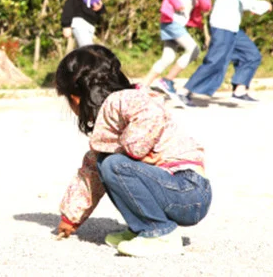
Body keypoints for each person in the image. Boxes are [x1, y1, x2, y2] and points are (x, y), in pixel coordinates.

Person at [54, 45, 212, 257]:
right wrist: (70, 217)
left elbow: (151, 113)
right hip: (175, 190)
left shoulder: (125, 99)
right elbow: (90, 173)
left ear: (75, 98)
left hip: (188, 190)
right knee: (104, 163)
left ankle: (158, 233)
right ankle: (143, 227)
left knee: (112, 164)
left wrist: (134, 151)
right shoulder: (109, 122)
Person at [180, 0, 272, 106]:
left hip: (231, 26)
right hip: (223, 25)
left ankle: (240, 90)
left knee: (251, 55)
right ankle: (185, 91)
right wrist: (265, 5)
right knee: (215, 61)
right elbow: (248, 3)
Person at [141, 0, 217, 107]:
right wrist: (177, 3)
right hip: (171, 19)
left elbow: (206, 7)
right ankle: (167, 81)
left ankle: (141, 87)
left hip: (180, 23)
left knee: (168, 57)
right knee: (194, 49)